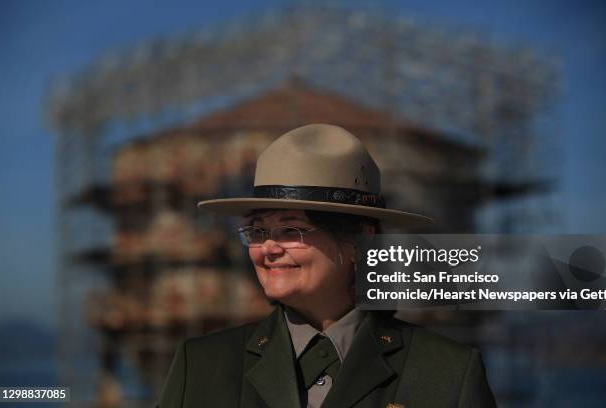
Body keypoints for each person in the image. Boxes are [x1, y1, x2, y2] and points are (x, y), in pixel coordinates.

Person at [157, 124, 496, 408]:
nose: (268, 249)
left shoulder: (447, 374)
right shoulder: (202, 366)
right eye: (257, 231)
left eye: (291, 229)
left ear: (360, 239)